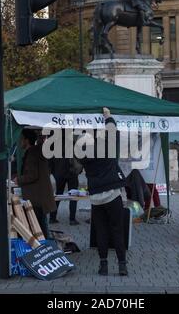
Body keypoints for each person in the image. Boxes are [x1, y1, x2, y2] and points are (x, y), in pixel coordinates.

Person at [79, 107, 128, 276]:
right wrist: (108, 117)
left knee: (101, 230)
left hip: (95, 197)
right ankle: (122, 265)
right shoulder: (107, 148)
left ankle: (103, 265)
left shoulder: (84, 154)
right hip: (112, 194)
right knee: (117, 229)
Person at [19, 129, 56, 239]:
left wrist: (19, 179)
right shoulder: (37, 151)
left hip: (37, 198)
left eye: (21, 139)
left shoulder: (32, 153)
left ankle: (46, 249)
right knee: (42, 225)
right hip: (40, 196)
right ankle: (46, 247)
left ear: (26, 140)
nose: (20, 142)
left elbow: (32, 175)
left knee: (40, 226)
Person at [49, 147, 82, 225]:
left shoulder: (55, 144)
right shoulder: (73, 144)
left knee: (58, 194)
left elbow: (50, 161)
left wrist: (54, 173)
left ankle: (52, 218)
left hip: (59, 173)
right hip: (72, 173)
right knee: (73, 195)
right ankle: (72, 219)